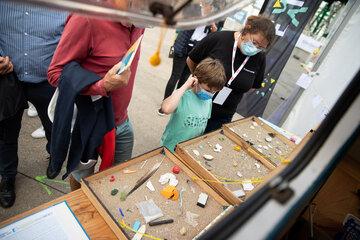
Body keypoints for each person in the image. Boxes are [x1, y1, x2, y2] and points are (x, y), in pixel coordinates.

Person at [47, 14, 144, 189]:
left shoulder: (141, 21)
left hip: (121, 120)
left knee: (118, 178)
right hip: (88, 123)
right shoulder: (86, 18)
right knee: (81, 179)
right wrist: (101, 85)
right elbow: (55, 73)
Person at [0, 1, 67, 208]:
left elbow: (74, 40)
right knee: (5, 135)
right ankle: (8, 177)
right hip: (9, 81)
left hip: (48, 82)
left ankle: (54, 157)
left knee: (54, 128)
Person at [186, 15, 276, 133]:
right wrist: (202, 80)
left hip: (224, 114)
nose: (255, 48)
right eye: (254, 42)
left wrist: (237, 86)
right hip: (197, 103)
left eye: (261, 47)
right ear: (247, 30)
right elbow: (191, 60)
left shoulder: (259, 58)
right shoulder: (218, 38)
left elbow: (253, 85)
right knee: (183, 140)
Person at [158, 0, 224, 115]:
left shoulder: (215, 16)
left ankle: (178, 103)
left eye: (210, 4)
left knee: (185, 79)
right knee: (175, 76)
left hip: (198, 51)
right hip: (184, 45)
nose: (208, 6)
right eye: (206, 3)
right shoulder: (193, 9)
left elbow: (215, 34)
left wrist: (212, 24)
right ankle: (165, 103)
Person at [160, 58, 226, 152]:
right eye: (207, 90)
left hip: (188, 149)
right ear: (196, 80)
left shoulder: (208, 101)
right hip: (170, 149)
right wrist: (185, 86)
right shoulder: (183, 96)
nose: (210, 94)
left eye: (214, 92)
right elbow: (166, 109)